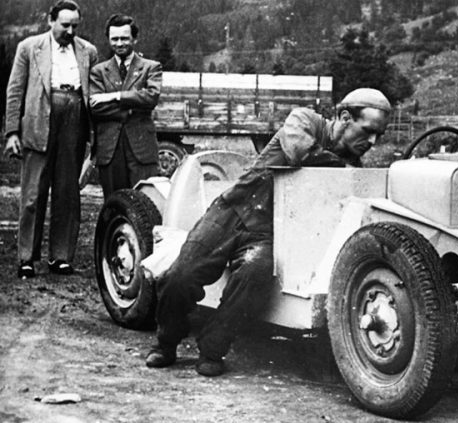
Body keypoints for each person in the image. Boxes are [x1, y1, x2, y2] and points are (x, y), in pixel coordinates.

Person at [145, 88, 392, 377]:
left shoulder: (353, 166)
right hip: (232, 209)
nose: (372, 142)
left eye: (379, 135)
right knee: (181, 275)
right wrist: (343, 166)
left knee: (254, 277)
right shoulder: (305, 121)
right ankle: (166, 342)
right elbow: (299, 152)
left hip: (269, 231)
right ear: (345, 117)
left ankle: (212, 348)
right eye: (368, 131)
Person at [3, 0, 98, 279]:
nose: (70, 31)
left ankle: (61, 257)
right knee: (33, 195)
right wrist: (12, 132)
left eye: (75, 26)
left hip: (74, 122)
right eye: (65, 25)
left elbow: (93, 94)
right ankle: (26, 258)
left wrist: (93, 136)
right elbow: (14, 91)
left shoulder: (88, 51)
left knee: (67, 192)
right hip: (38, 124)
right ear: (50, 20)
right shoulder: (29, 48)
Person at [89, 14, 162, 199]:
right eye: (114, 39)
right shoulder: (98, 71)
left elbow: (151, 97)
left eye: (124, 38)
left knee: (145, 202)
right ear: (108, 39)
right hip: (110, 150)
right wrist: (131, 108)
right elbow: (96, 108)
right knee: (114, 202)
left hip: (142, 149)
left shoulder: (151, 67)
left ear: (134, 39)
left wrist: (116, 96)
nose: (119, 43)